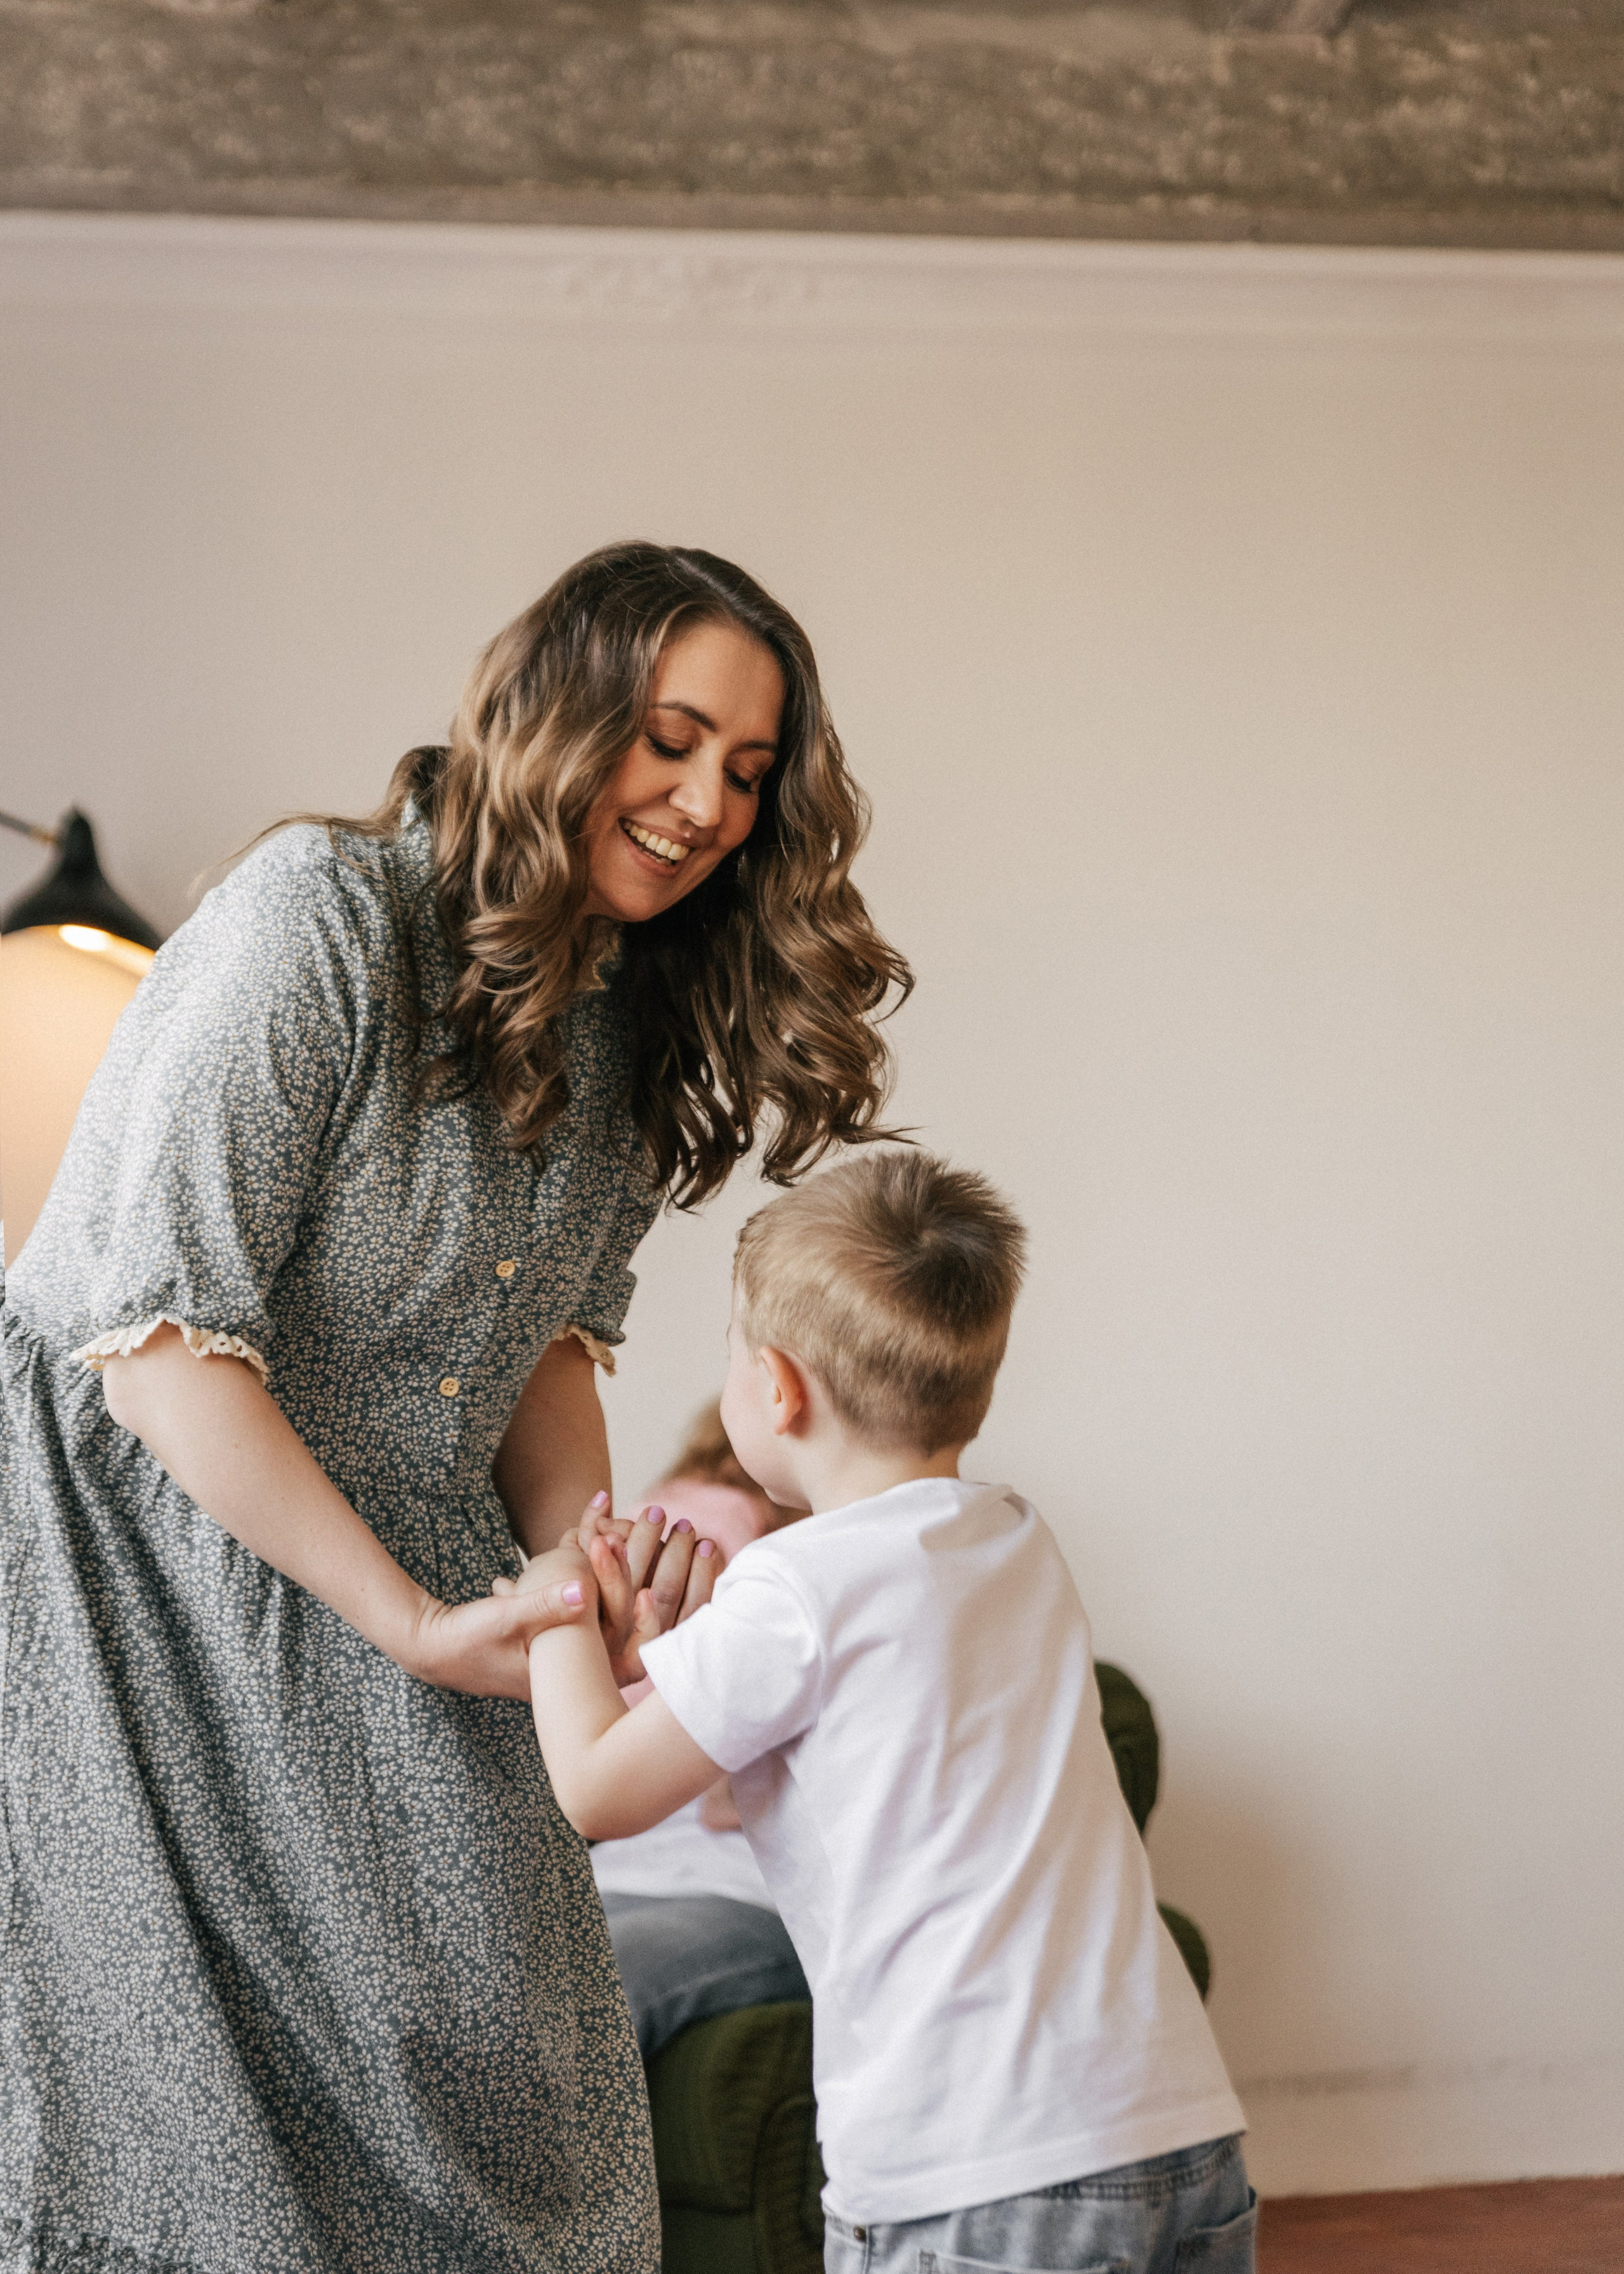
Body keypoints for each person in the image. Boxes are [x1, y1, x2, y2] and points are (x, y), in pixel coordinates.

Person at [0, 542, 910, 2274]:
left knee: (528, 2076)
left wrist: (585, 1567)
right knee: (180, 2151)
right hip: (118, 1571)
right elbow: (158, 1343)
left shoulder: (634, 1021)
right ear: (560, 715)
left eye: (746, 770)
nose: (708, 800)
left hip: (398, 1559)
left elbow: (549, 1349)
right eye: (671, 737)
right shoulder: (315, 920)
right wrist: (417, 1619)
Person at [518, 1151, 1256, 2274]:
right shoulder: (1014, 1537)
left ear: (778, 1386)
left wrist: (554, 1598)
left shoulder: (794, 1586)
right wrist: (685, 1649)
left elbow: (596, 1788)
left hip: (976, 2166)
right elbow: (862, 1694)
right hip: (1175, 2122)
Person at [589, 1405, 813, 2058]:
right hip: (624, 1876)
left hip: (743, 1893)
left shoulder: (809, 1589)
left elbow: (723, 1803)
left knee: (588, 1996)